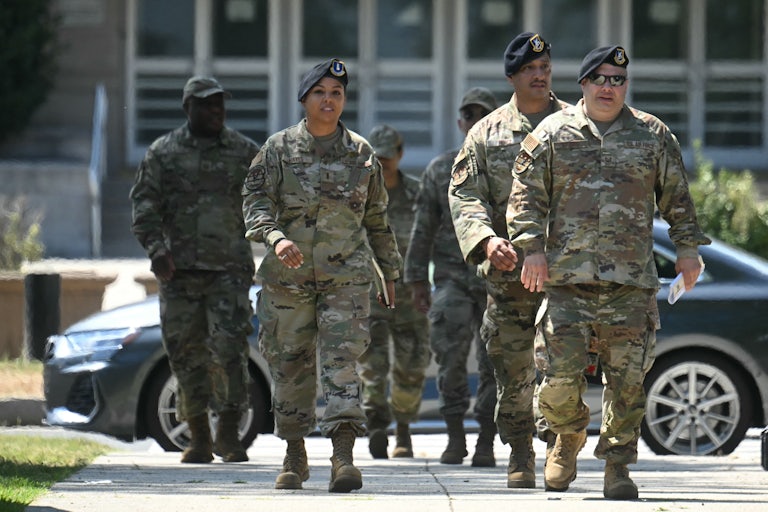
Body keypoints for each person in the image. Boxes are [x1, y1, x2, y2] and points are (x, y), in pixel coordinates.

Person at [507, 45, 710, 500]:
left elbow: (677, 198)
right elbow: (525, 197)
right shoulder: (553, 134)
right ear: (582, 83)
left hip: (630, 283)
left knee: (629, 381)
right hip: (567, 281)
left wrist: (687, 250)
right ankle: (568, 434)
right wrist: (531, 249)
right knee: (557, 380)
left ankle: (618, 466)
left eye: (618, 79)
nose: (609, 87)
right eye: (600, 78)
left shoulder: (652, 134)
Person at [241, 58, 401, 493]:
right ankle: (295, 453)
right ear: (304, 99)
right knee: (289, 363)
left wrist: (391, 271)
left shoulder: (362, 153)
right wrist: (275, 238)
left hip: (346, 278)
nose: (329, 100)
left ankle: (343, 457)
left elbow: (377, 220)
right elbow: (253, 203)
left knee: (342, 364)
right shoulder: (277, 149)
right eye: (320, 92)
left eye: (337, 93)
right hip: (286, 281)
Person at [447, 32, 570, 488]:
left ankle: (559, 442)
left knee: (563, 366)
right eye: (530, 71)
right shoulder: (487, 133)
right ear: (513, 77)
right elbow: (463, 194)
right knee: (513, 370)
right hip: (510, 275)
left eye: (545, 68)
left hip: (566, 276)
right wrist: (484, 241)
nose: (540, 76)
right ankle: (520, 451)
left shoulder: (575, 124)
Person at [130, 76, 260, 464]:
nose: (216, 111)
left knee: (230, 353)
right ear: (188, 107)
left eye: (220, 104)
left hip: (229, 273)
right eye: (207, 104)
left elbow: (267, 200)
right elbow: (144, 206)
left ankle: (229, 436)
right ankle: (199, 437)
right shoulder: (163, 153)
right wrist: (156, 249)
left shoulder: (243, 151)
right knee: (186, 356)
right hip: (179, 274)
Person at [404, 87, 499, 467]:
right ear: (461, 122)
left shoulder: (510, 166)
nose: (475, 121)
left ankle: (486, 442)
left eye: (483, 115)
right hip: (452, 280)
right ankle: (456, 437)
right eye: (469, 115)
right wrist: (415, 279)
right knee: (450, 359)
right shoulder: (441, 169)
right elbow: (422, 228)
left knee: (495, 362)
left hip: (496, 282)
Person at [358, 124, 430, 460]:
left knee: (411, 364)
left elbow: (430, 238)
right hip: (371, 293)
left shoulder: (417, 195)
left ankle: (403, 429)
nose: (384, 163)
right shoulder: (359, 195)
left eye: (389, 156)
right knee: (372, 366)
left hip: (409, 294)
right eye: (378, 157)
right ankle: (376, 426)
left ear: (400, 155)